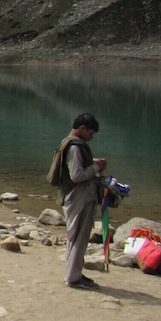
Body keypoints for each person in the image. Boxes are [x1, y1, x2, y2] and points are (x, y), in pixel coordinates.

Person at [56, 113, 107, 290]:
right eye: (90, 133)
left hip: (74, 196)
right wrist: (96, 167)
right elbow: (76, 175)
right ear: (82, 128)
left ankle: (73, 272)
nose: (91, 137)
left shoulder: (69, 144)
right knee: (79, 236)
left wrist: (91, 164)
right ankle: (74, 276)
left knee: (74, 235)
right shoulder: (75, 148)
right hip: (80, 197)